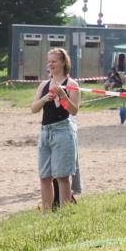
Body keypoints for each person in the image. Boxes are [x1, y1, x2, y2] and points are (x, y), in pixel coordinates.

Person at [30, 48, 80, 212]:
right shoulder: (44, 85)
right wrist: (45, 99)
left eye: (54, 61)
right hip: (45, 132)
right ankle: (46, 214)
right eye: (49, 61)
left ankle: (64, 214)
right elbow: (34, 108)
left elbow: (73, 111)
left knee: (62, 176)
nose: (50, 64)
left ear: (63, 63)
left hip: (63, 131)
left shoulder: (72, 85)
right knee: (45, 176)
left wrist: (63, 96)